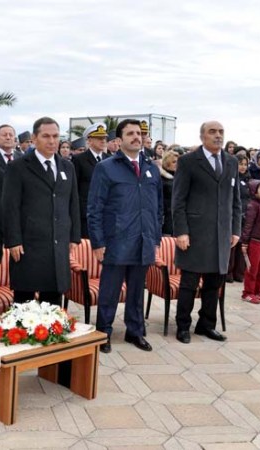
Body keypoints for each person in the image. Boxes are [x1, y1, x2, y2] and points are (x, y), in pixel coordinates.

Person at [87, 119, 162, 353]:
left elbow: (158, 208)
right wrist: (98, 242)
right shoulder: (106, 167)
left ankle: (135, 331)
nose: (137, 137)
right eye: (130, 133)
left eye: (139, 133)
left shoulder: (151, 168)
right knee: (109, 292)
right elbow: (94, 207)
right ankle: (103, 333)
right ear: (119, 140)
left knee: (137, 291)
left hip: (143, 240)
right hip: (116, 241)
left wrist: (155, 239)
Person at [172, 121, 240, 344]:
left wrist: (235, 229)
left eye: (221, 132)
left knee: (214, 284)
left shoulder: (231, 161)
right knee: (189, 284)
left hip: (222, 236)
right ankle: (183, 326)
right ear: (202, 136)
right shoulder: (188, 161)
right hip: (195, 235)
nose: (218, 135)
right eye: (212, 132)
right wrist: (181, 231)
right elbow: (178, 200)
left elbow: (236, 200)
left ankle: (206, 325)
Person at [2, 117, 80, 306]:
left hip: (58, 243)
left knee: (53, 303)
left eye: (55, 136)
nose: (52, 141)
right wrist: (13, 240)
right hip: (28, 245)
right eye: (46, 136)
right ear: (34, 138)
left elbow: (73, 203)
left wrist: (74, 237)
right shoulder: (18, 167)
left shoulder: (67, 167)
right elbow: (9, 206)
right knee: (25, 303)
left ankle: (53, 326)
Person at [72, 123, 108, 239]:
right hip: (86, 214)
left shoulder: (110, 159)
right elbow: (74, 188)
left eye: (104, 138)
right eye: (99, 138)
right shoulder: (79, 159)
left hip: (107, 213)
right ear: (89, 140)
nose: (103, 141)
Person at [227, 154, 251, 282]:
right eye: (240, 164)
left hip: (246, 214)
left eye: (245, 164)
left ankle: (239, 272)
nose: (243, 167)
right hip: (233, 214)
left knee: (243, 244)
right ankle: (228, 271)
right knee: (232, 243)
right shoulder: (231, 178)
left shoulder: (248, 179)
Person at [159, 150, 179, 236]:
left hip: (178, 219)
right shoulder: (162, 179)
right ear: (167, 163)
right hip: (167, 220)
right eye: (174, 162)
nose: (177, 164)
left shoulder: (180, 177)